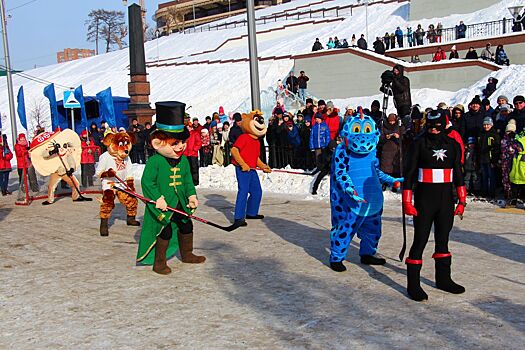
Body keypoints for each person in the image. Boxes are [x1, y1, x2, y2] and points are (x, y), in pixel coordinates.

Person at [402, 110, 466, 301]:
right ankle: (413, 285)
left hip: (446, 199)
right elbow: (410, 173)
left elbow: (458, 174)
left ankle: (444, 279)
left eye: (438, 127)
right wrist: (407, 200)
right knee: (420, 240)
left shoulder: (453, 145)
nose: (434, 131)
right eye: (430, 127)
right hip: (424, 199)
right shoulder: (419, 144)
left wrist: (462, 200)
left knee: (443, 238)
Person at [329, 110, 403, 272]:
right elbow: (341, 173)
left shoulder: (371, 151)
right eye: (357, 130)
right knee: (346, 228)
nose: (363, 135)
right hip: (352, 200)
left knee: (373, 229)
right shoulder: (342, 151)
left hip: (372, 198)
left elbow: (376, 171)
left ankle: (368, 253)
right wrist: (350, 190)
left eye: (367, 130)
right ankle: (336, 256)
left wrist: (392, 181)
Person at [136, 101, 205, 275]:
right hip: (162, 204)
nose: (180, 147)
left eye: (182, 142)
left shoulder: (182, 160)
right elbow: (147, 183)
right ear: (158, 143)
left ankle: (187, 254)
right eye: (175, 143)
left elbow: (188, 179)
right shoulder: (155, 161)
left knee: (186, 225)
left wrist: (191, 195)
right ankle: (159, 263)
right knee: (164, 231)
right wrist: (157, 198)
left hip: (179, 201)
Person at [230, 110, 271, 228]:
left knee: (257, 191)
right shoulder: (243, 137)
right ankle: (238, 217)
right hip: (242, 169)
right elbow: (234, 150)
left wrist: (263, 166)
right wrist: (242, 164)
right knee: (243, 191)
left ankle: (251, 212)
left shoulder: (257, 141)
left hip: (251, 169)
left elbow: (255, 157)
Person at [478, 117, 500, 200]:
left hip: (490, 159)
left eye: (488, 125)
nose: (486, 126)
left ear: (491, 125)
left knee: (491, 176)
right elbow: (478, 147)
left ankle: (492, 193)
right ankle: (484, 192)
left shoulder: (494, 134)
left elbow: (496, 149)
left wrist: (494, 160)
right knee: (484, 176)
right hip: (482, 158)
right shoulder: (481, 134)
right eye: (484, 125)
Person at [500, 121, 520, 201]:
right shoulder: (504, 140)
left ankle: (515, 193)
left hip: (514, 161)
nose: (509, 133)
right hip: (505, 161)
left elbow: (519, 149)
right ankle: (507, 192)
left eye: (511, 131)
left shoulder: (516, 139)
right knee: (505, 177)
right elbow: (503, 149)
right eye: (508, 131)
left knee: (513, 176)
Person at [380, 114, 403, 180]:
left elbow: (403, 138)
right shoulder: (383, 127)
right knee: (385, 167)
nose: (392, 123)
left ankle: (396, 182)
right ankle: (385, 181)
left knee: (395, 167)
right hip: (386, 149)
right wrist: (386, 137)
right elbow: (380, 138)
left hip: (396, 150)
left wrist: (398, 137)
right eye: (390, 121)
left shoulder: (399, 127)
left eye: (393, 121)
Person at [183, 121, 202, 186]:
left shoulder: (195, 133)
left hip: (193, 154)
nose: (188, 128)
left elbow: (199, 143)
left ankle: (195, 182)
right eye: (187, 127)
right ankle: (188, 181)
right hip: (186, 153)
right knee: (187, 168)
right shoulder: (185, 134)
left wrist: (195, 149)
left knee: (194, 168)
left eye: (189, 127)